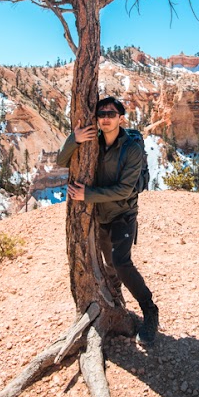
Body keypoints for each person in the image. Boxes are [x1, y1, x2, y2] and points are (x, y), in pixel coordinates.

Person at [57, 96, 159, 345]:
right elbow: (61, 161)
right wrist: (74, 139)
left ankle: (149, 310)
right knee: (109, 265)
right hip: (99, 215)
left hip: (123, 213)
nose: (105, 118)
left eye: (111, 114)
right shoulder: (93, 141)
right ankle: (117, 305)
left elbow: (125, 190)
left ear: (121, 118)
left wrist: (87, 195)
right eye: (101, 114)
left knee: (121, 262)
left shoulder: (131, 148)